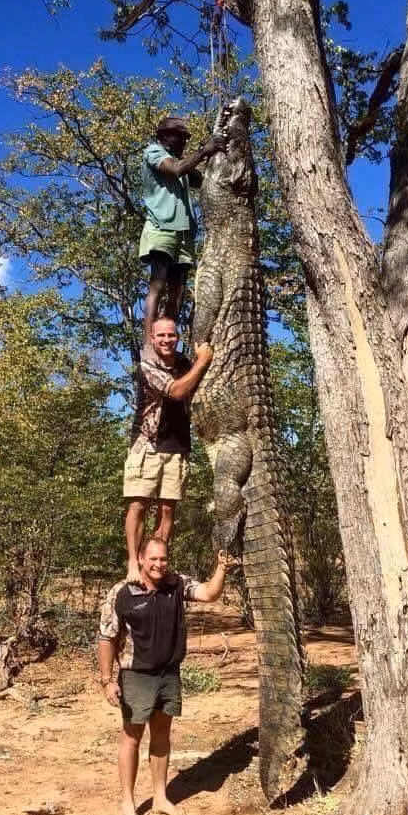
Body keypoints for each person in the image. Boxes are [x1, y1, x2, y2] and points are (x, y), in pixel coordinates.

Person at [97, 537, 237, 815]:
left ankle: (160, 798)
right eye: (153, 559)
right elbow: (106, 637)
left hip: (168, 674)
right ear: (140, 559)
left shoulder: (176, 583)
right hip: (136, 675)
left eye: (163, 558)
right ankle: (128, 804)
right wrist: (107, 680)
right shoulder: (122, 592)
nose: (159, 564)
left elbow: (209, 593)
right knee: (132, 736)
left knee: (161, 733)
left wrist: (222, 568)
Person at [123, 316, 212, 583]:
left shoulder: (184, 363)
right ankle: (133, 563)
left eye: (171, 335)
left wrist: (199, 362)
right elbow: (176, 391)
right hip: (147, 445)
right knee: (138, 505)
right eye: (161, 335)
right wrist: (202, 361)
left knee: (167, 511)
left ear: (178, 337)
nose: (166, 340)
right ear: (152, 338)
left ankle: (156, 566)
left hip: (178, 446)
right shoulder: (147, 366)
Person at [139, 116, 226, 338]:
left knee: (177, 290)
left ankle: (167, 339)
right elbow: (176, 169)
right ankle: (149, 340)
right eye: (180, 137)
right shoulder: (154, 152)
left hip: (185, 232)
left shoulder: (183, 163)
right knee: (159, 281)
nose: (184, 142)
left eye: (186, 139)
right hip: (162, 226)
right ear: (164, 136)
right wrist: (204, 151)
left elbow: (206, 181)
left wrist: (218, 156)